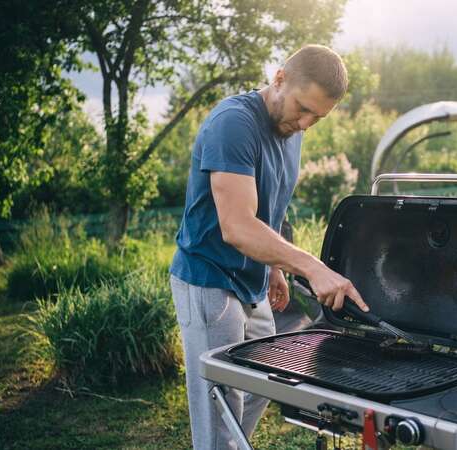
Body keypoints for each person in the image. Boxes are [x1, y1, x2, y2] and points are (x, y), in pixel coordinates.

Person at [169, 45, 369, 450]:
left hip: (253, 279)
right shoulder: (233, 124)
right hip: (210, 278)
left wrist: (275, 267)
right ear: (279, 78)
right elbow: (238, 226)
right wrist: (309, 267)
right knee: (219, 408)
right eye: (303, 108)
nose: (307, 122)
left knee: (267, 379)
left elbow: (271, 203)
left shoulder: (291, 128)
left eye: (319, 116)